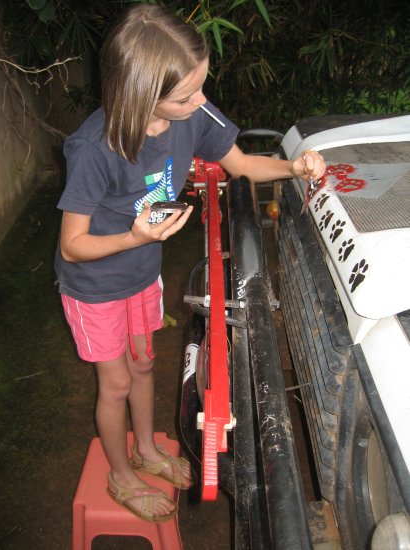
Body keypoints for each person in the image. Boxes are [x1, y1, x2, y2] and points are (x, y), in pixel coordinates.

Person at [55, 3, 326, 523]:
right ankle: (121, 474)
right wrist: (134, 237)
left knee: (144, 364)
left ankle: (147, 450)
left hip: (140, 271)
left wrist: (295, 167)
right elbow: (73, 245)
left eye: (202, 86)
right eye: (186, 96)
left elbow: (242, 163)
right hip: (94, 284)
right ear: (142, 94)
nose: (202, 102)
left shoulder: (192, 115)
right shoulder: (95, 147)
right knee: (113, 383)